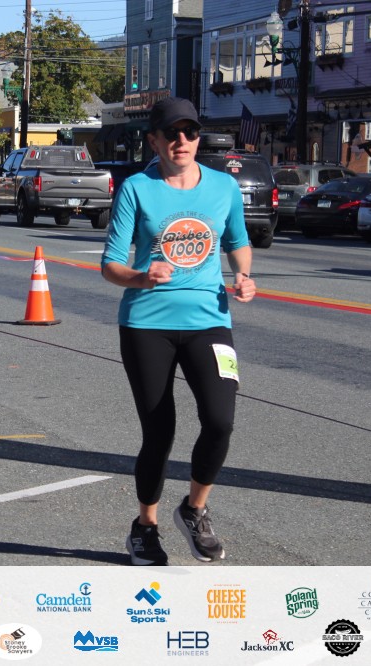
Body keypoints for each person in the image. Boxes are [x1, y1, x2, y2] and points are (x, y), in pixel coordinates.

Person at [100, 97, 256, 566]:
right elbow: (110, 265)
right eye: (171, 133)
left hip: (210, 319)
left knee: (220, 420)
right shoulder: (137, 189)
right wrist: (141, 276)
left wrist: (243, 275)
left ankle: (194, 509)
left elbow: (238, 241)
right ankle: (145, 527)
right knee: (159, 431)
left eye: (190, 132)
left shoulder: (223, 187)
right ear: (154, 141)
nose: (182, 141)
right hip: (147, 323)